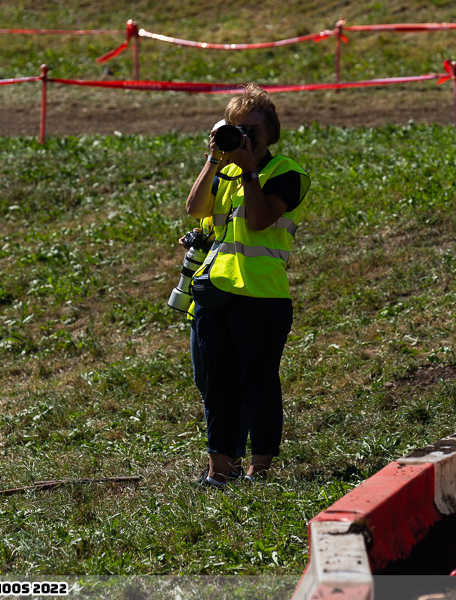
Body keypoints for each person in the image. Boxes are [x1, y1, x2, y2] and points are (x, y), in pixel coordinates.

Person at [185, 83, 310, 488]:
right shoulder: (224, 173)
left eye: (253, 130)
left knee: (257, 383)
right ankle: (220, 470)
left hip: (261, 296)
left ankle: (261, 468)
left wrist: (249, 170)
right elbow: (195, 209)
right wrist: (214, 160)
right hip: (215, 293)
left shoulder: (286, 172)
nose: (245, 138)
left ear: (270, 133)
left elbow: (258, 220)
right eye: (236, 129)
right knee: (215, 382)